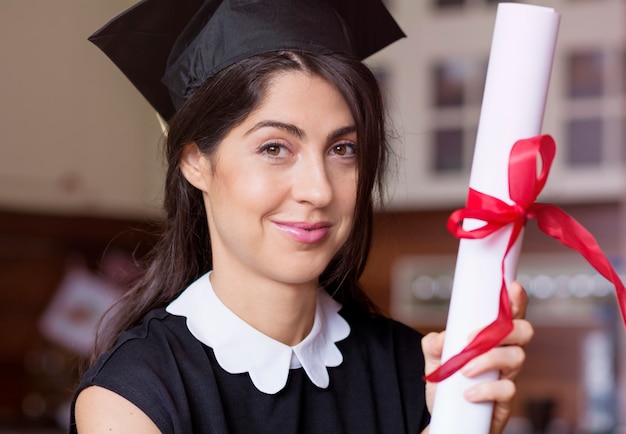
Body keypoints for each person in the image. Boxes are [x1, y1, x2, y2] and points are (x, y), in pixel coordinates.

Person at [71, 0, 533, 433]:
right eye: (274, 148)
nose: (319, 189)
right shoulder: (130, 398)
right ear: (195, 163)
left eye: (342, 149)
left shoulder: (418, 373)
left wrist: (458, 420)